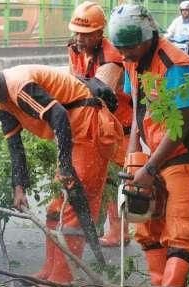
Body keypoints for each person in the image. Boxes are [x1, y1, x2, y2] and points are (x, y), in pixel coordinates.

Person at [0, 59, 124, 285]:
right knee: (55, 210)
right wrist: (19, 187)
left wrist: (64, 164)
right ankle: (50, 270)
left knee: (72, 208)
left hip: (88, 129)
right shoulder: (3, 105)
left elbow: (59, 115)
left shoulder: (20, 86)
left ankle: (63, 276)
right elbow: (15, 147)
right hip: (72, 135)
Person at [109, 3, 189, 287]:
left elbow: (181, 125)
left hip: (187, 153)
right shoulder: (132, 61)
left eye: (131, 47)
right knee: (146, 225)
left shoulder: (177, 66)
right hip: (154, 150)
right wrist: (133, 157)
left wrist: (150, 169)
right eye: (121, 48)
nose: (126, 53)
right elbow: (138, 109)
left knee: (181, 228)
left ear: (150, 36)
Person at [67, 1, 133, 247]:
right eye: (76, 33)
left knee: (118, 180)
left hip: (119, 128)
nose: (79, 39)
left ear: (99, 33)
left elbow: (97, 91)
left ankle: (123, 232)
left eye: (85, 34)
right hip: (94, 126)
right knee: (103, 181)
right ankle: (111, 231)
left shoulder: (112, 57)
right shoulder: (74, 49)